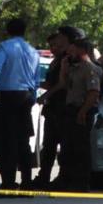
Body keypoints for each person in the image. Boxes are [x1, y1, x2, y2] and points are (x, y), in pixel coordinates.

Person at [0, 18, 41, 191]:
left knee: (7, 140)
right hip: (26, 96)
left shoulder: (4, 47)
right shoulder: (32, 51)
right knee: (23, 140)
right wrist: (32, 95)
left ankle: (8, 182)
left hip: (8, 96)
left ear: (7, 31)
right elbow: (36, 77)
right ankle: (27, 180)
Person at [54, 37, 102, 191]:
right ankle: (66, 180)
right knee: (68, 148)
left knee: (81, 149)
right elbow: (65, 85)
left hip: (82, 111)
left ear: (81, 50)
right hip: (71, 110)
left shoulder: (90, 68)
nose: (69, 52)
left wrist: (83, 112)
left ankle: (81, 182)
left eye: (72, 49)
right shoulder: (75, 67)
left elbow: (93, 92)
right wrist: (63, 69)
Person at [34, 31, 68, 188]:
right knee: (48, 146)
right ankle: (44, 176)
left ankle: (62, 177)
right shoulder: (56, 61)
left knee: (62, 146)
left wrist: (45, 95)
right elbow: (50, 82)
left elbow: (61, 84)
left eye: (56, 45)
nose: (53, 48)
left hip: (62, 107)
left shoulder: (65, 60)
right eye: (51, 46)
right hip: (52, 107)